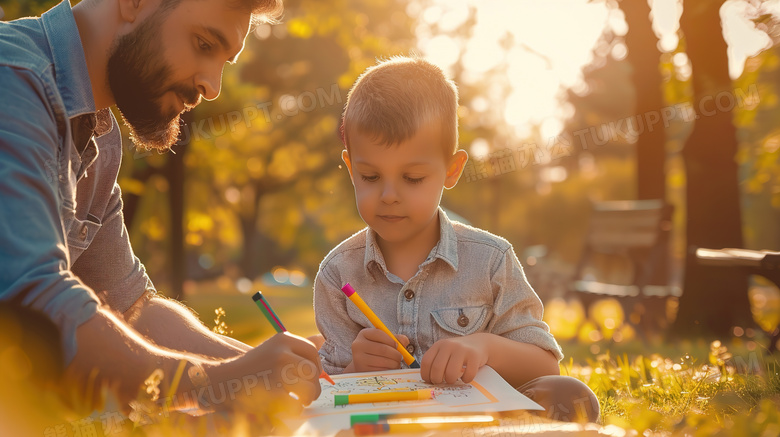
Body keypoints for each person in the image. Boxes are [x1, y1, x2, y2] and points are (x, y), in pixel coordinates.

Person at [0, 0, 322, 422]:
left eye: (224, 60)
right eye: (204, 43)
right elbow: (35, 303)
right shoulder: (15, 81)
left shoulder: (101, 139)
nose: (213, 86)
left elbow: (133, 305)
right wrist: (215, 384)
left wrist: (267, 365)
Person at [313, 56, 600, 423]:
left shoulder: (491, 260)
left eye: (412, 178)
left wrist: (482, 347)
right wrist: (356, 368)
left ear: (452, 170)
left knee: (571, 397)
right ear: (351, 169)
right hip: (386, 427)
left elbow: (544, 365)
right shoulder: (338, 275)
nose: (388, 195)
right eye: (370, 176)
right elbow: (325, 394)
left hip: (478, 424)